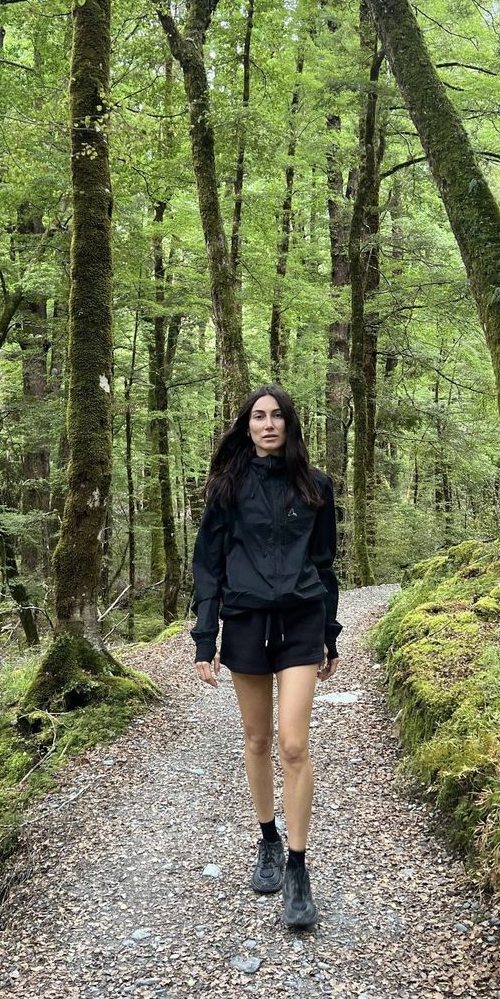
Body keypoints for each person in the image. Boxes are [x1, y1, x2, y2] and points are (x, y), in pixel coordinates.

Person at [190, 384, 342, 928]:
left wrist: (330, 632)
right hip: (248, 622)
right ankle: (268, 839)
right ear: (247, 425)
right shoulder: (226, 488)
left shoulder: (315, 487)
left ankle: (298, 872)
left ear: (290, 424)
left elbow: (324, 564)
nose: (269, 424)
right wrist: (205, 638)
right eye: (259, 416)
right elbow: (207, 566)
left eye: (278, 415)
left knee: (293, 744)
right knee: (256, 739)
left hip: (301, 621)